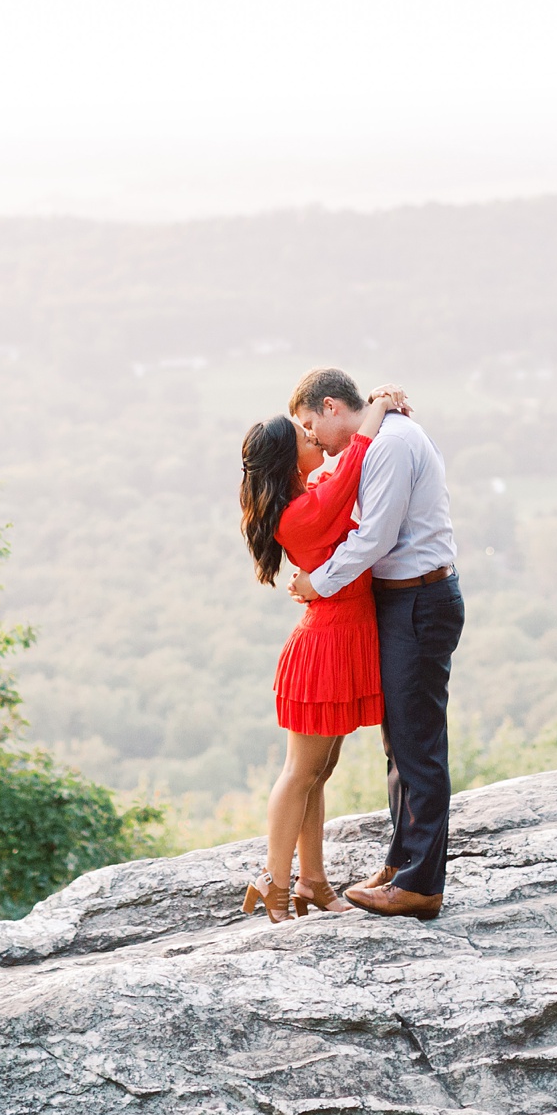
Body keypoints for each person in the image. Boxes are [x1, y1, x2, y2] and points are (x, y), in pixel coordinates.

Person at [287, 367, 461, 921]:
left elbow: (375, 537)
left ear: (333, 406)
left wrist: (319, 582)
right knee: (400, 741)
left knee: (418, 744)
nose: (312, 438)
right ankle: (402, 863)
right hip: (404, 601)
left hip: (418, 601)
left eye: (313, 425)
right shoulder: (382, 437)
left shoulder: (389, 445)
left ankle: (420, 885)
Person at [236, 388, 406, 921]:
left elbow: (339, 474)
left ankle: (314, 882)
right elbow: (354, 462)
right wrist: (375, 409)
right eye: (307, 437)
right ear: (291, 460)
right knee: (299, 773)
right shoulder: (304, 512)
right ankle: (276, 884)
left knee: (319, 771)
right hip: (324, 648)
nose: (315, 438)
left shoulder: (309, 495)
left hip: (338, 639)